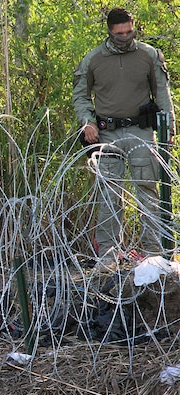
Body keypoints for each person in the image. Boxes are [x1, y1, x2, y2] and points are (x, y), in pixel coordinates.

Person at [72, 7, 175, 266]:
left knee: (148, 191)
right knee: (109, 195)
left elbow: (162, 93)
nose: (125, 37)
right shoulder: (93, 59)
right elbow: (81, 95)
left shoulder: (148, 55)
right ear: (109, 31)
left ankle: (155, 255)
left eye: (129, 32)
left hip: (141, 131)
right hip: (107, 134)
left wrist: (169, 128)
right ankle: (108, 257)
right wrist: (87, 122)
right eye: (119, 33)